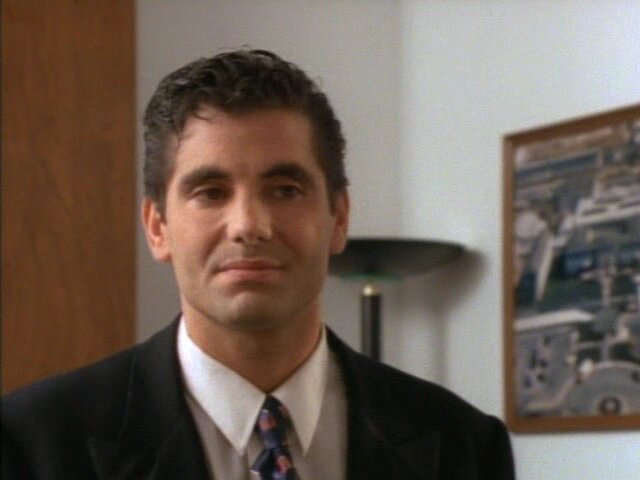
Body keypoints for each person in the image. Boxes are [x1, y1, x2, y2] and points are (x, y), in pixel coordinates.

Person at [2, 49, 515, 480]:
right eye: (210, 192)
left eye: (285, 190)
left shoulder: (464, 446)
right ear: (157, 227)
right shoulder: (32, 445)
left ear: (338, 218)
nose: (250, 225)